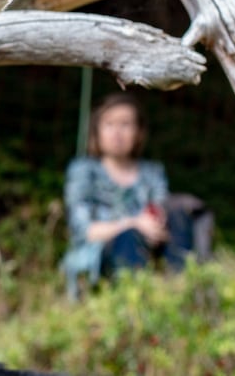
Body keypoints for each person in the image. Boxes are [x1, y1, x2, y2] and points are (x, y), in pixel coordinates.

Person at [61, 93, 195, 299]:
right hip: (97, 260)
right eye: (109, 124)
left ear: (139, 133)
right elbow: (84, 231)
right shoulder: (84, 172)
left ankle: (184, 292)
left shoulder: (152, 173)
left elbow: (160, 213)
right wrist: (133, 223)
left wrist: (157, 224)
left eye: (125, 124)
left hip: (151, 249)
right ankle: (133, 305)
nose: (117, 133)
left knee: (179, 211)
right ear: (96, 131)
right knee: (128, 237)